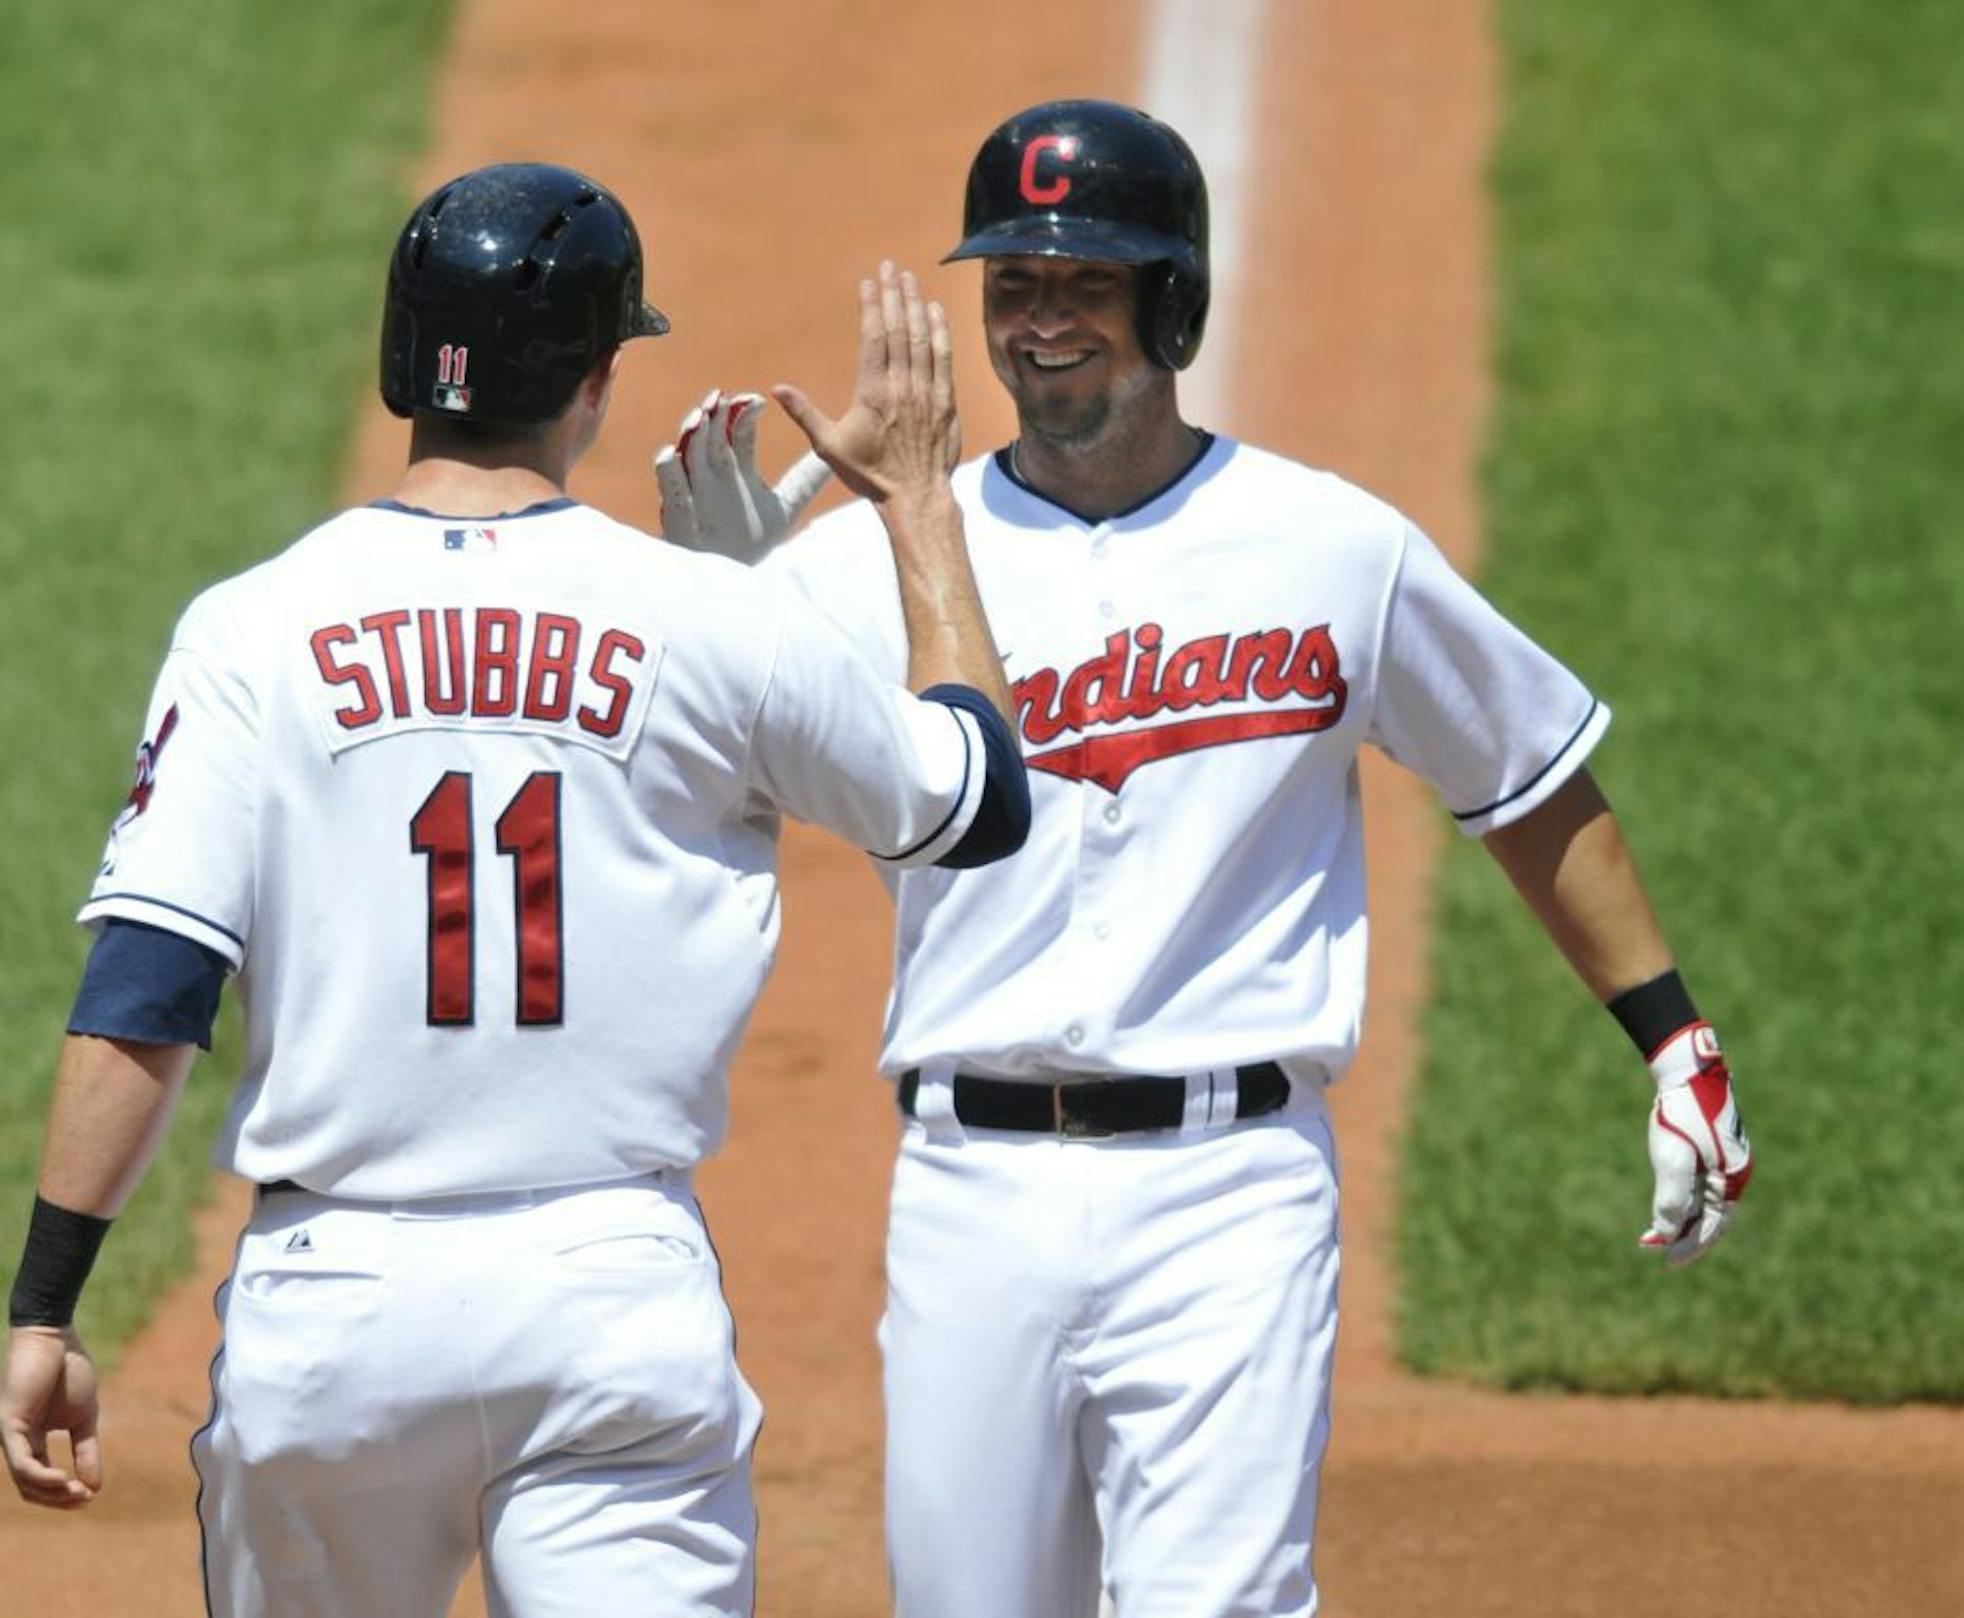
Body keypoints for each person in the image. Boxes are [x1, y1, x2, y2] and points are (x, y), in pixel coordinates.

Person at [655, 99, 1752, 1618]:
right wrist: (709, 621)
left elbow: (1527, 779)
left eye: (1083, 288)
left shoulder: (1331, 547)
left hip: (1231, 1195)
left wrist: (1674, 1033)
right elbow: (661, 793)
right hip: (973, 1191)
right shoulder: (874, 567)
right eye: (1015, 288)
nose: (1040, 326)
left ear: (1172, 300)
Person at [1, 161, 1026, 1618]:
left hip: (333, 1305)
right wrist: (917, 502)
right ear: (599, 379)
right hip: (610, 1290)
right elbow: (978, 801)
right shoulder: (712, 620)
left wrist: (45, 1298)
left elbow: (147, 992)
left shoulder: (251, 627)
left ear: (404, 361)